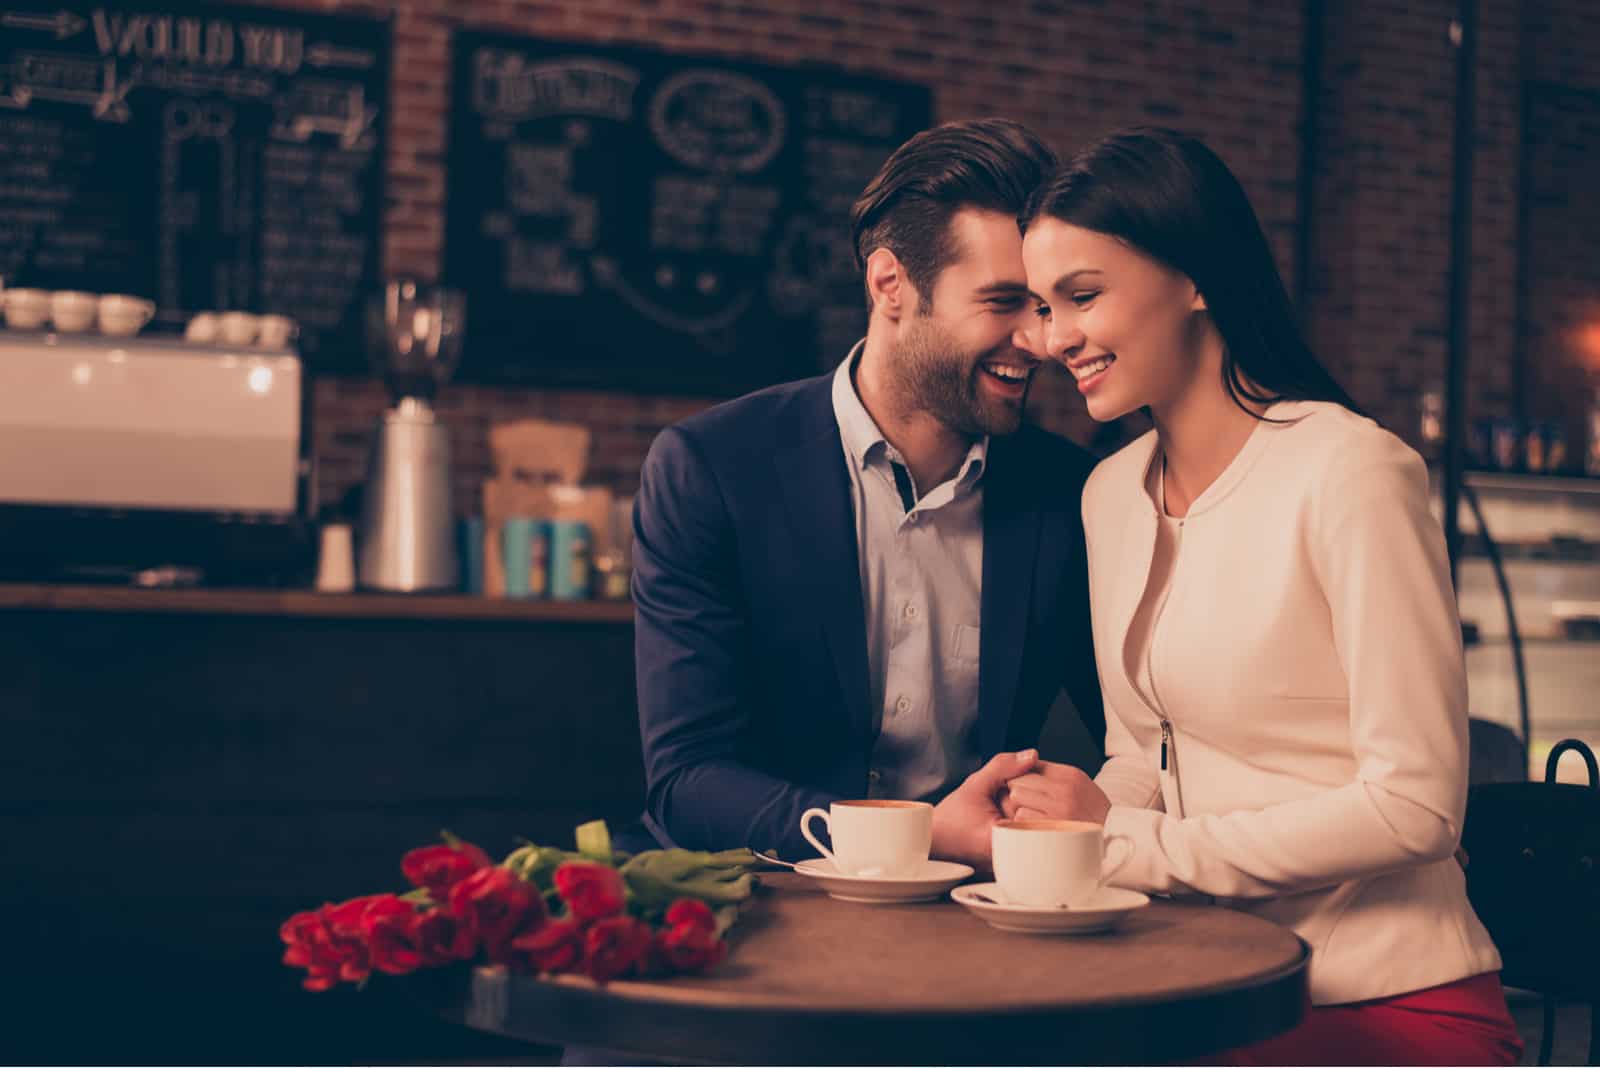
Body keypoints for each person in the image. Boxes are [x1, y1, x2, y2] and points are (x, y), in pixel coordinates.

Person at [1006, 126, 1521, 1064]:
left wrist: (1121, 846)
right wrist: (1059, 813)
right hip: (1201, 981)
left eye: (1082, 296)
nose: (1053, 337)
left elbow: (1417, 807)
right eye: (1043, 307)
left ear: (1195, 278)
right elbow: (1145, 756)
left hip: (1383, 998)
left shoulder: (1351, 468)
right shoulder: (1108, 493)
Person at [629, 118, 1106, 868]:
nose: (1041, 340)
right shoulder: (710, 469)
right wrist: (906, 838)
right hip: (766, 891)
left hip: (974, 905)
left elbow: (1130, 742)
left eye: (1044, 306)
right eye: (1003, 301)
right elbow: (687, 781)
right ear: (891, 285)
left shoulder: (1073, 493)